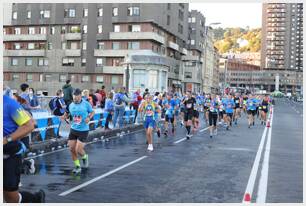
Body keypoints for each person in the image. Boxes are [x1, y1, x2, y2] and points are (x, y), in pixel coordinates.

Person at [3, 95, 45, 203]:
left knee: (11, 198)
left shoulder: (10, 104)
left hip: (9, 155)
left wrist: (6, 139)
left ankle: (36, 198)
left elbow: (30, 125)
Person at [61, 88, 94, 174]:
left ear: (80, 96)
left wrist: (88, 118)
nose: (75, 99)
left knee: (78, 149)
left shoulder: (86, 104)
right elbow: (67, 112)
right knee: (72, 149)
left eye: (76, 97)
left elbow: (92, 112)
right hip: (73, 129)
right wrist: (64, 116)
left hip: (83, 130)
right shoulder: (70, 104)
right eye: (74, 97)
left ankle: (85, 156)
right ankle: (77, 166)